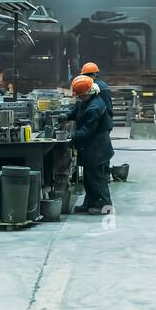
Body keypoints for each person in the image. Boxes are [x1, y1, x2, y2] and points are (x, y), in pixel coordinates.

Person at [69, 74, 113, 214]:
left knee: (97, 178)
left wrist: (71, 137)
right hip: (92, 148)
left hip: (97, 148)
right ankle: (89, 203)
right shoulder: (87, 100)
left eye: (80, 96)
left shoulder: (95, 107)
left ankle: (105, 206)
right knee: (89, 178)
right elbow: (77, 110)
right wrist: (65, 115)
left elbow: (88, 130)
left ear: (88, 92)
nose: (79, 98)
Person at [80, 61, 114, 126]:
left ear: (94, 75)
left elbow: (107, 108)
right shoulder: (104, 86)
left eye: (87, 75)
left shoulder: (95, 87)